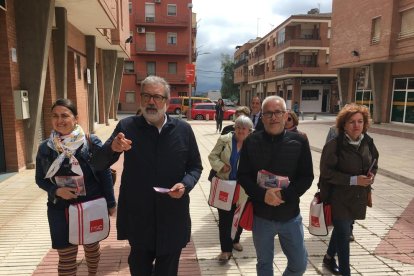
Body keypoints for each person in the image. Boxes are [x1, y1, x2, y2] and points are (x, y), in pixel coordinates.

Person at [91, 76, 203, 276]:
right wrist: (112, 148)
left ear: (167, 102)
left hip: (172, 217)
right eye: (146, 96)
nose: (151, 102)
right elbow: (98, 164)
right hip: (139, 219)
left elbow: (195, 167)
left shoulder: (183, 130)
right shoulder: (126, 127)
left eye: (157, 97)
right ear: (140, 99)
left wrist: (185, 185)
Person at [35, 98, 116, 276]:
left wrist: (111, 203)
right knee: (66, 256)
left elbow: (104, 173)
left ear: (76, 118)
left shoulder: (91, 143)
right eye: (55, 116)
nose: (60, 120)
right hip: (60, 208)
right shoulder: (45, 148)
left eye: (65, 115)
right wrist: (55, 190)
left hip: (90, 205)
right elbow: (40, 179)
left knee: (91, 248)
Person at [238, 96, 314, 276]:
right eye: (268, 113)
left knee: (299, 264)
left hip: (290, 216)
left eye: (278, 112)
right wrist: (263, 195)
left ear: (286, 115)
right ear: (262, 117)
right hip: (262, 216)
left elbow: (307, 177)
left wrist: (284, 195)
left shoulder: (299, 141)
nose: (273, 117)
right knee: (264, 265)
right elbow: (243, 176)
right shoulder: (251, 141)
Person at [320, 103, 379, 276]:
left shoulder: (368, 141)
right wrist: (353, 180)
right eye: (352, 121)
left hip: (358, 198)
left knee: (341, 230)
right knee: (344, 236)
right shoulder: (334, 145)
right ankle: (346, 272)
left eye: (360, 121)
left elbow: (375, 161)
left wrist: (372, 175)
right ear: (344, 124)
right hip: (339, 198)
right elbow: (326, 173)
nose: (356, 125)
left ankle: (329, 257)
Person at [208, 115, 253, 262]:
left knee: (238, 215)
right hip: (225, 185)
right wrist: (221, 166)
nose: (240, 131)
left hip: (243, 187)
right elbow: (212, 156)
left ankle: (236, 240)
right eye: (238, 127)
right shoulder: (225, 140)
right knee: (225, 219)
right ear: (234, 128)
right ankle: (225, 250)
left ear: (249, 130)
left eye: (244, 128)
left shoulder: (253, 144)